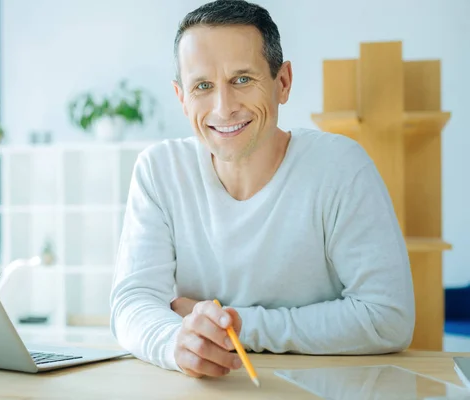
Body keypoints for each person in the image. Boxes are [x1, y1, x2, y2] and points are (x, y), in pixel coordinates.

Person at [109, 0, 415, 379]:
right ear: (182, 98)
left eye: (242, 79)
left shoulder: (339, 167)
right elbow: (133, 302)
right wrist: (179, 345)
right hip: (210, 388)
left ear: (282, 82)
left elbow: (388, 318)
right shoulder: (159, 170)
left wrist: (236, 328)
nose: (224, 108)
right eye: (203, 86)